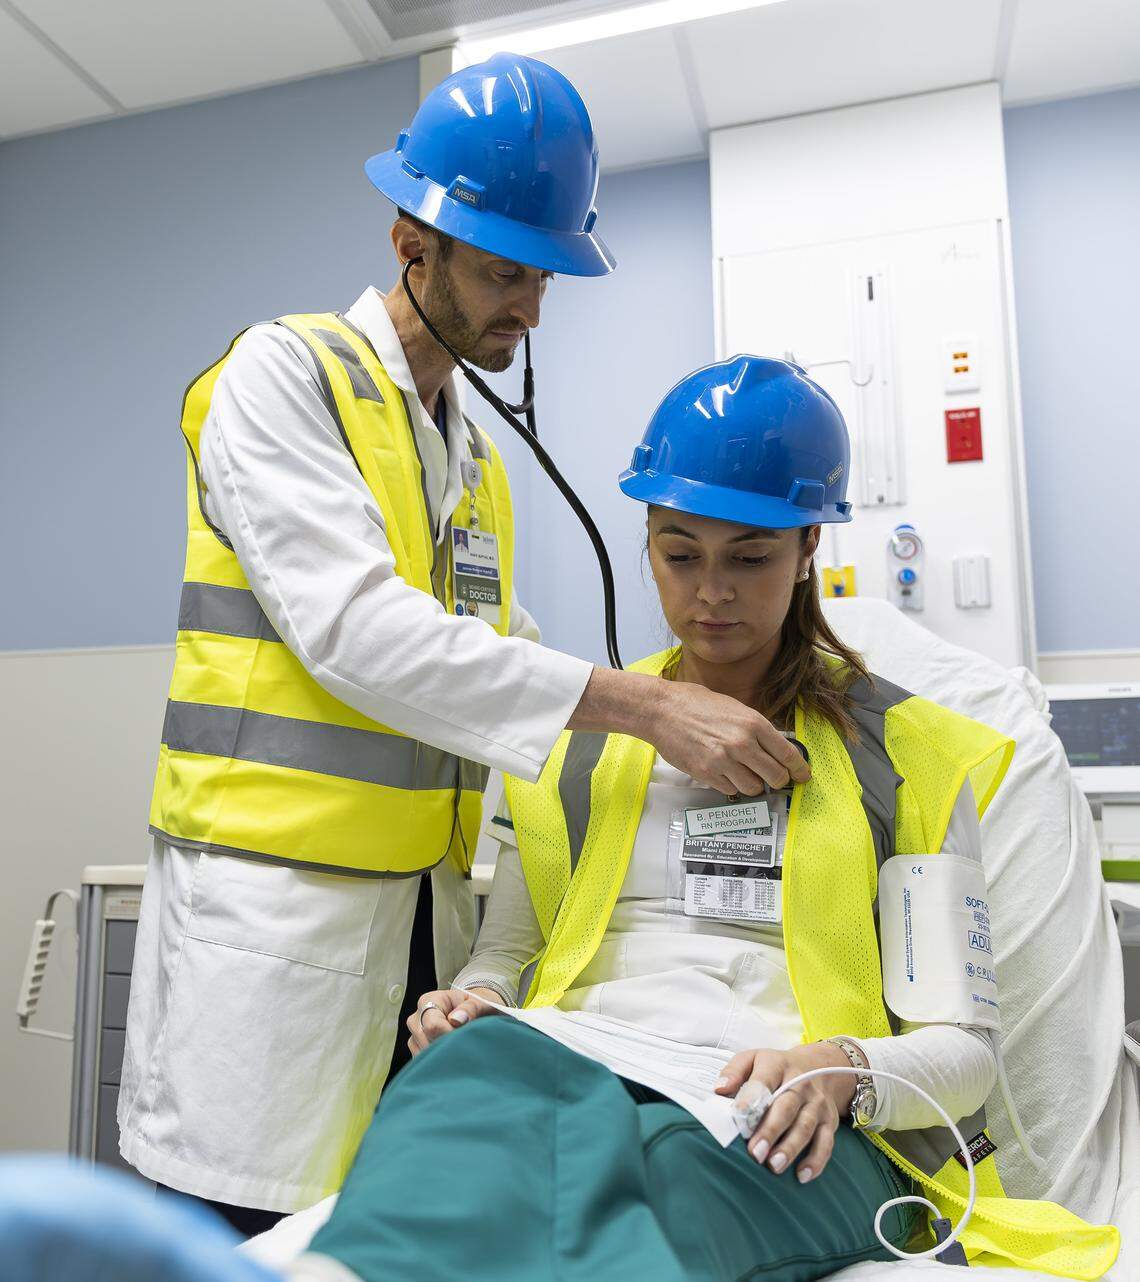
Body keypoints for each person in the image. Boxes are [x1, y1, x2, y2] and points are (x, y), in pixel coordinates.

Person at [117, 57, 809, 1235]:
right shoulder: (285, 378)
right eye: (503, 272)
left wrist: (673, 710)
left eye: (542, 278)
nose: (529, 310)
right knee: (229, 1234)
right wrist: (644, 711)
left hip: (416, 925)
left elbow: (502, 646)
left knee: (366, 1231)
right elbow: (359, 633)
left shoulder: (472, 456)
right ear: (411, 240)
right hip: (273, 922)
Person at [286, 357, 1119, 1282]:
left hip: (779, 1103)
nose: (710, 593)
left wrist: (843, 1068)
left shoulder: (908, 758)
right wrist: (476, 1003)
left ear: (809, 549)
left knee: (672, 1178)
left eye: (749, 558)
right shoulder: (583, 742)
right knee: (448, 1097)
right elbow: (511, 954)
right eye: (680, 555)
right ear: (645, 542)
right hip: (575, 1058)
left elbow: (965, 1054)